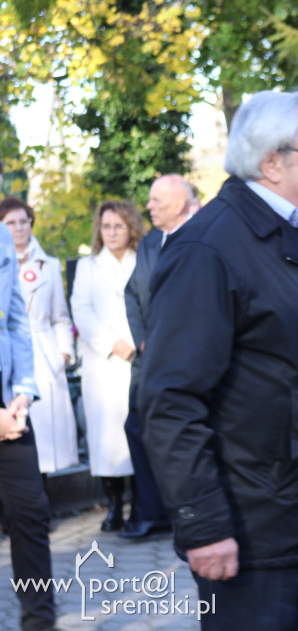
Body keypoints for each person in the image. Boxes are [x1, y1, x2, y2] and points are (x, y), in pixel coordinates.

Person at [139, 89, 298, 630]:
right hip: (254, 544)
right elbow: (171, 399)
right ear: (272, 162)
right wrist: (202, 525)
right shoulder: (211, 248)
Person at [119, 174, 194, 540]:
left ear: (179, 204)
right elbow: (132, 294)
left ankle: (189, 514)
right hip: (149, 360)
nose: (148, 207)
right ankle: (152, 513)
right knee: (136, 428)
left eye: (156, 201)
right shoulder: (150, 243)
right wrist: (144, 339)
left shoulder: (204, 238)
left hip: (190, 359)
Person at [70, 200, 144, 531]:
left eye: (119, 226)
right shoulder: (89, 266)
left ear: (131, 228)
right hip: (105, 362)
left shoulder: (142, 260)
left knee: (137, 438)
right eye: (106, 226)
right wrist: (112, 344)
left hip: (138, 360)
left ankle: (141, 506)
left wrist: (140, 343)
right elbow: (80, 309)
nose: (112, 232)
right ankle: (114, 507)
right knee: (106, 441)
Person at [0, 217, 54, 631]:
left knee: (31, 512)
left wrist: (22, 391)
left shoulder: (1, 235)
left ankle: (39, 618)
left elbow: (16, 319)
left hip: (10, 408)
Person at [0, 198, 77, 475]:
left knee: (44, 440)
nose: (19, 228)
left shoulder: (50, 265)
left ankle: (42, 504)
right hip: (11, 357)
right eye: (11, 223)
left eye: (24, 221)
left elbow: (61, 316)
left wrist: (64, 353)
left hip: (44, 355)